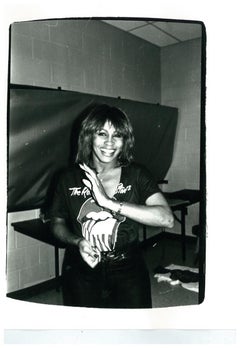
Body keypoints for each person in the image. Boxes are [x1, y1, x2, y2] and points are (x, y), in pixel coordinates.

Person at [50, 103, 174, 308]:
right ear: (89, 136)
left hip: (128, 268)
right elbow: (57, 222)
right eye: (101, 133)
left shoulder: (137, 174)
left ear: (125, 141)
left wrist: (107, 202)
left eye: (117, 135)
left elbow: (166, 219)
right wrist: (77, 241)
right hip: (81, 266)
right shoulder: (67, 178)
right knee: (86, 332)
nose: (109, 142)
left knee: (134, 332)